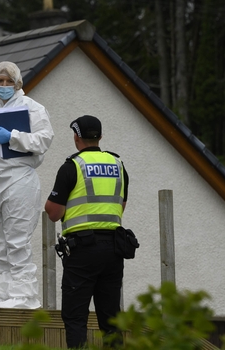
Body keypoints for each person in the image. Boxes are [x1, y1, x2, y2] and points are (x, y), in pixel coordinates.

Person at [0, 61, 54, 309]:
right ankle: (6, 293)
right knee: (0, 243)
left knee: (17, 240)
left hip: (18, 180)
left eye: (8, 82)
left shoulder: (31, 107)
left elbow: (45, 139)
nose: (3, 86)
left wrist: (13, 137)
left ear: (18, 84)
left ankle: (25, 296)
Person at [44, 115, 129, 348]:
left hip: (82, 250)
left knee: (75, 316)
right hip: (114, 248)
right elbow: (120, 206)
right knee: (111, 318)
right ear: (100, 137)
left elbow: (53, 213)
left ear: (76, 137)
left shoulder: (71, 167)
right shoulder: (118, 165)